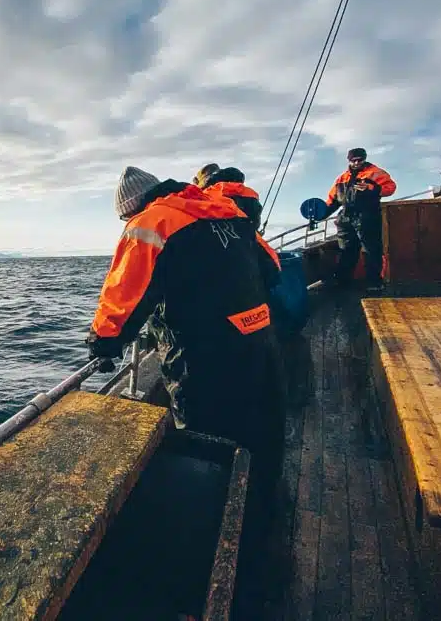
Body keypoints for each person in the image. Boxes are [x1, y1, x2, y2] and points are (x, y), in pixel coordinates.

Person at [85, 166, 284, 617]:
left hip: (208, 357)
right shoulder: (225, 210)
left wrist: (104, 342)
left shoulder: (151, 223)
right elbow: (272, 269)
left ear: (131, 207)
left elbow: (124, 295)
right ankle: (260, 529)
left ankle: (215, 561)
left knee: (206, 445)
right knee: (262, 438)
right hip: (260, 345)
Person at [323, 147, 396, 289]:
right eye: (353, 160)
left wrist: (372, 188)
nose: (356, 163)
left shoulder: (375, 173)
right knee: (346, 250)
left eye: (359, 160)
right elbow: (333, 200)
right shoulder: (342, 178)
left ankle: (374, 283)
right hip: (346, 218)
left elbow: (391, 188)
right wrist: (321, 214)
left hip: (367, 215)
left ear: (364, 158)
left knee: (371, 249)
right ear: (349, 160)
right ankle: (342, 281)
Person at [194, 164, 264, 231]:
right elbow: (255, 220)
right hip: (249, 238)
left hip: (222, 239)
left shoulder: (208, 194)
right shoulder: (247, 191)